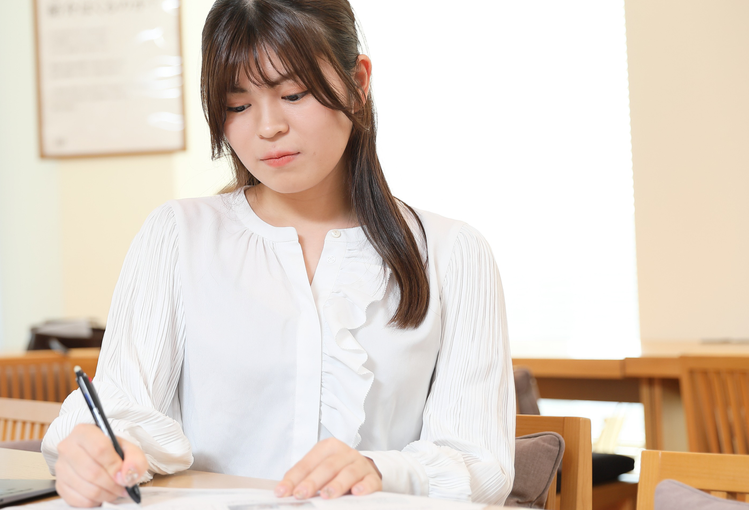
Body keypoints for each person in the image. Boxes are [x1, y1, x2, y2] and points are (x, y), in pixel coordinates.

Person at [40, 0, 515, 507]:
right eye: (237, 106)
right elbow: (121, 408)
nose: (268, 127)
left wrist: (382, 469)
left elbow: (482, 465)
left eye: (293, 94)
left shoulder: (452, 253)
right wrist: (94, 452)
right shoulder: (177, 236)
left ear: (357, 83)